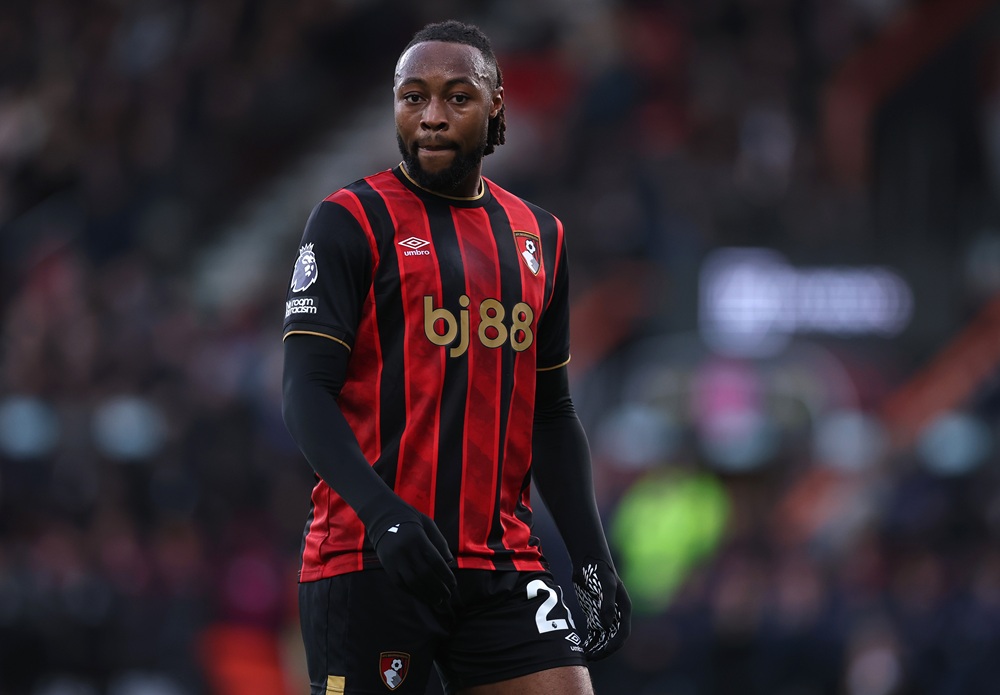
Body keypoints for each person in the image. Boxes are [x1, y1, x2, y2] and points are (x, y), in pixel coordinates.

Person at [281, 19, 630, 695]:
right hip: (371, 557)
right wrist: (383, 514)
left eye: (456, 97)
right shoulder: (350, 219)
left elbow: (552, 414)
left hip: (502, 562)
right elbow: (304, 393)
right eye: (414, 97)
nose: (432, 116)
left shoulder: (540, 235)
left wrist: (592, 556)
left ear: (496, 105)